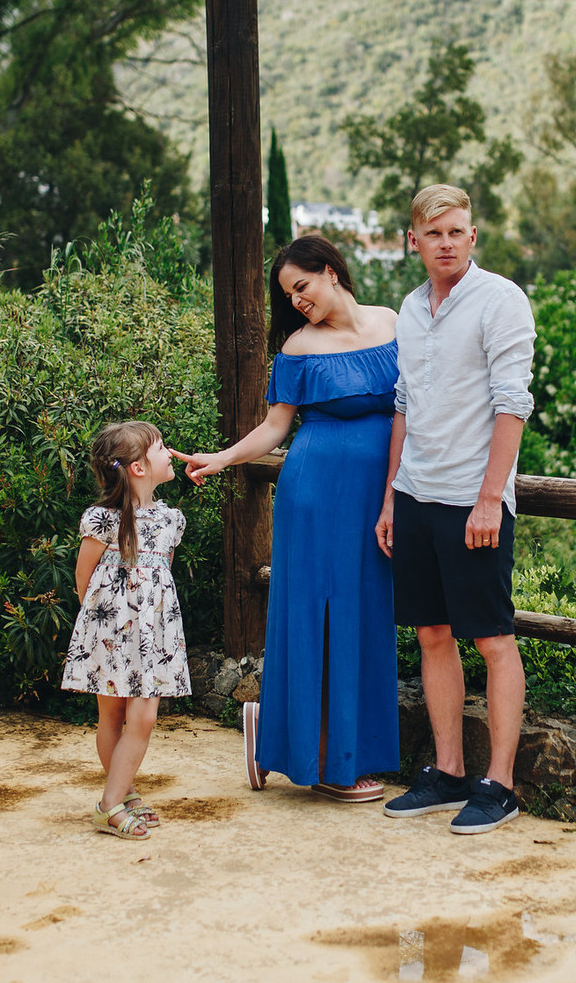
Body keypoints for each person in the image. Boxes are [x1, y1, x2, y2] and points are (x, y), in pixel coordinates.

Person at [173, 236, 401, 802]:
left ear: (330, 272)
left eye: (301, 287)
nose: (297, 301)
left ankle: (295, 733)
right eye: (289, 295)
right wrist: (222, 457)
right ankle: (326, 762)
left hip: (378, 497)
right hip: (317, 497)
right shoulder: (299, 347)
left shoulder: (394, 322)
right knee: (320, 616)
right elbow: (276, 427)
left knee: (365, 616)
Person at [376, 184, 535, 835]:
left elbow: (512, 402)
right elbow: (404, 406)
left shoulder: (501, 300)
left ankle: (500, 784)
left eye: (457, 231)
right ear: (412, 240)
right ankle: (446, 773)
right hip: (416, 496)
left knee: (493, 639)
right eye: (433, 233)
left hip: (475, 501)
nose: (446, 242)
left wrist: (490, 498)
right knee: (431, 634)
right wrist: (390, 496)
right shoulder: (409, 311)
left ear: (473, 237)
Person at [61, 420, 189, 840]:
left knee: (144, 717)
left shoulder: (171, 520)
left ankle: (114, 796)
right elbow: (84, 579)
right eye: (161, 447)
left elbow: (160, 581)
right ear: (137, 468)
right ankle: (115, 801)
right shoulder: (102, 519)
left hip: (150, 636)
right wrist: (97, 633)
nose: (169, 452)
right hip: (109, 632)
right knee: (112, 714)